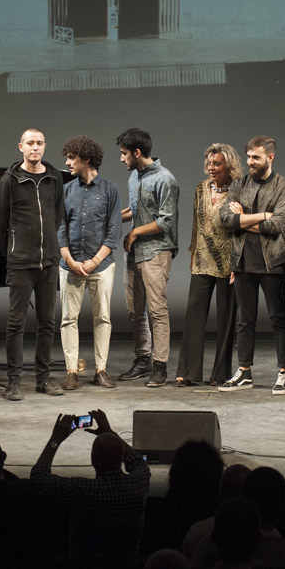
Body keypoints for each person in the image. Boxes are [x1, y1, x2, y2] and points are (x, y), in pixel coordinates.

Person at [0, 128, 66, 400]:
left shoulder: (54, 177)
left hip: (49, 262)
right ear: (20, 146)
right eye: (30, 143)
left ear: (45, 146)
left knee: (47, 323)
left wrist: (49, 248)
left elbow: (57, 215)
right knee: (16, 324)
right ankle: (13, 382)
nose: (35, 148)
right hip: (20, 263)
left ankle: (43, 379)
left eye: (39, 143)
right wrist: (13, 251)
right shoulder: (9, 180)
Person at [218, 135, 285, 395]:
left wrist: (243, 218)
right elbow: (226, 219)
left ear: (270, 157)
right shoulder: (239, 184)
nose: (250, 162)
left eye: (256, 157)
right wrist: (261, 215)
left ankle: (284, 372)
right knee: (245, 320)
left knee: (278, 318)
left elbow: (277, 225)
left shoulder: (284, 186)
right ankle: (244, 371)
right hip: (242, 261)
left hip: (272, 262)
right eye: (248, 157)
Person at [30, 409, 151, 569]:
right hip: (127, 566)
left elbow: (39, 476)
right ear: (122, 458)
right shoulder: (138, 483)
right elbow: (138, 462)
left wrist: (56, 439)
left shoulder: (82, 490)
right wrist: (110, 432)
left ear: (93, 460)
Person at [116, 128, 180, 388]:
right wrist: (108, 220)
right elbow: (136, 209)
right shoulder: (134, 176)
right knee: (135, 311)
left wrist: (134, 234)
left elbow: (165, 221)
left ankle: (159, 366)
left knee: (157, 311)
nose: (122, 159)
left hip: (156, 251)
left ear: (137, 152)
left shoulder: (166, 179)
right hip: (135, 253)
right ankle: (142, 359)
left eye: (124, 154)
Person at [57, 135, 122, 391]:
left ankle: (101, 370)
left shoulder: (110, 189)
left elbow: (114, 231)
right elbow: (60, 228)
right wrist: (69, 259)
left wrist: (94, 262)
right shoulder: (66, 190)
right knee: (68, 319)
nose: (67, 162)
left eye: (71, 157)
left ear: (85, 159)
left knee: (102, 318)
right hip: (70, 265)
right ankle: (71, 371)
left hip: (101, 266)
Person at [176, 143, 242, 387]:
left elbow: (240, 230)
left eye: (217, 164)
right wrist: (192, 253)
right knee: (194, 315)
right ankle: (188, 371)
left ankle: (220, 373)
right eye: (210, 163)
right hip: (202, 260)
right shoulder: (200, 188)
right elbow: (196, 224)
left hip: (228, 262)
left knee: (226, 318)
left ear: (229, 166)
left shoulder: (238, 190)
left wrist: (238, 263)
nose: (212, 168)